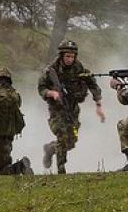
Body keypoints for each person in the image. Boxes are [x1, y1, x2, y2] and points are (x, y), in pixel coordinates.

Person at [39, 40, 105, 174]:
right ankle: (61, 169)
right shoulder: (51, 70)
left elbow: (93, 84)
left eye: (72, 56)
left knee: (71, 142)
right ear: (61, 56)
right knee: (62, 136)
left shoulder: (79, 68)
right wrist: (51, 93)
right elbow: (41, 88)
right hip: (57, 109)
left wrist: (98, 104)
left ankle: (50, 149)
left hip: (73, 108)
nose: (70, 59)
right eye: (67, 56)